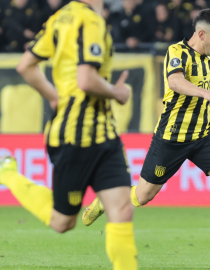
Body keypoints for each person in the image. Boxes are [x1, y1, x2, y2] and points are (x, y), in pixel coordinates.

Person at [82, 8, 210, 251]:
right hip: (171, 138)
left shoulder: (206, 56)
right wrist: (207, 93)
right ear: (202, 34)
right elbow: (175, 81)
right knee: (143, 197)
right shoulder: (176, 51)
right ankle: (104, 202)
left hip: (202, 136)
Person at [0, 0, 138, 269]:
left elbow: (26, 65)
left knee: (122, 209)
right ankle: (8, 174)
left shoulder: (60, 18)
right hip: (77, 134)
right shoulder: (91, 21)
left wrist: (54, 98)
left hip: (104, 132)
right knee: (62, 222)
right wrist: (117, 93)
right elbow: (86, 80)